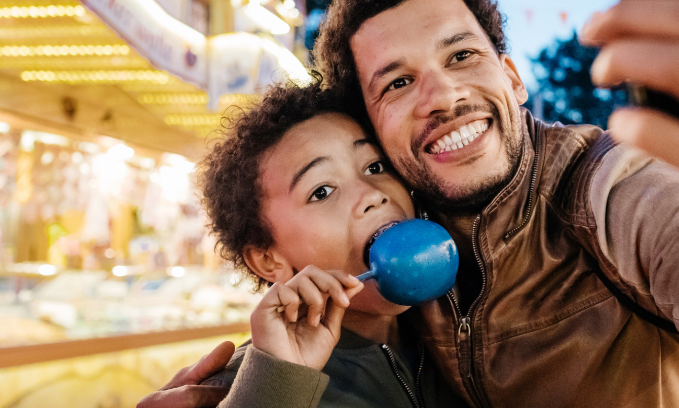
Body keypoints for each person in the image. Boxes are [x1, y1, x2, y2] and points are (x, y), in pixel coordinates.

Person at [142, 0, 679, 406]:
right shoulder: (397, 275)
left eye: (463, 57)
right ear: (376, 128)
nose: (441, 95)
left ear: (512, 79)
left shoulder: (607, 190)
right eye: (399, 82)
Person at [138, 78, 470, 408]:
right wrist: (271, 390)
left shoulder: (460, 334)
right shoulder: (244, 391)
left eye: (374, 166)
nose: (372, 194)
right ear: (269, 260)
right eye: (321, 191)